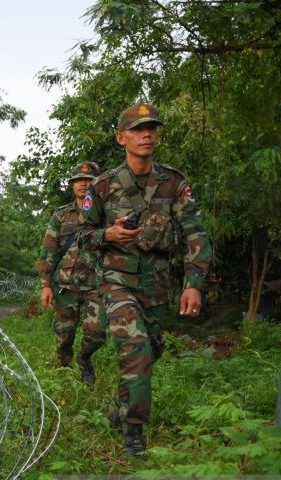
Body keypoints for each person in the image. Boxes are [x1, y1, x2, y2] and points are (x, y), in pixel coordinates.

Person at [77, 103, 212, 459]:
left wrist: (194, 282)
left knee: (151, 349)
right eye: (138, 129)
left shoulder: (174, 183)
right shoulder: (103, 186)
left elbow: (195, 233)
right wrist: (108, 234)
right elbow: (81, 236)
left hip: (157, 285)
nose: (147, 134)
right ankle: (134, 434)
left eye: (151, 127)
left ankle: (121, 410)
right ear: (122, 138)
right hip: (116, 282)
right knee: (134, 350)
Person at [38, 161, 107, 386]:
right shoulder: (61, 216)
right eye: (79, 180)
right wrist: (46, 285)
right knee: (63, 335)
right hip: (65, 286)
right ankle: (63, 371)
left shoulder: (107, 215)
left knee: (96, 333)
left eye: (88, 180)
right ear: (72, 185)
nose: (83, 183)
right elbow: (49, 250)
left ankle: (84, 358)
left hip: (96, 284)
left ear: (97, 184)